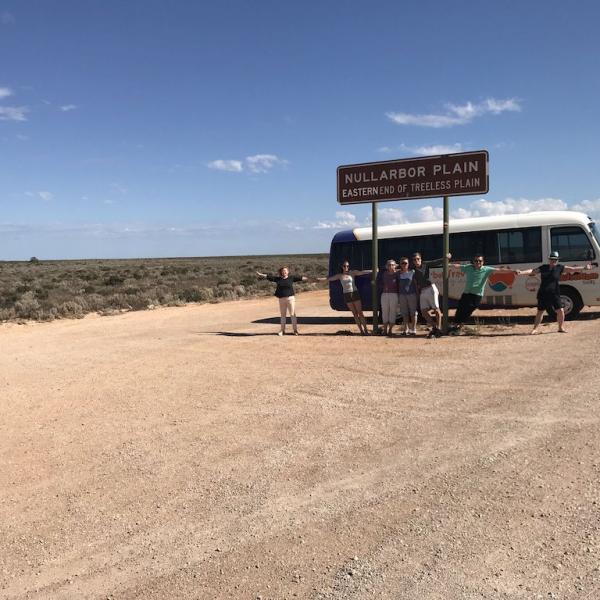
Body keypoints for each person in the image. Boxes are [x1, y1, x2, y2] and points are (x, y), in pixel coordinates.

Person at [516, 251, 593, 334]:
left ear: (557, 260)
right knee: (540, 311)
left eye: (555, 260)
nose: (554, 261)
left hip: (555, 293)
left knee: (560, 311)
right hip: (543, 293)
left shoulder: (560, 268)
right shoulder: (543, 267)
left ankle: (560, 328)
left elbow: (572, 269)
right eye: (552, 259)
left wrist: (584, 267)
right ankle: (534, 329)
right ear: (549, 259)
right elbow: (532, 271)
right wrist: (521, 272)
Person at [448, 255, 515, 334]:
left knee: (470, 309)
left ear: (483, 262)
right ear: (473, 262)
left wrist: (512, 271)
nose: (478, 262)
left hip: (477, 295)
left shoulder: (487, 269)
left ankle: (459, 325)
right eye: (476, 261)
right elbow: (457, 266)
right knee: (461, 309)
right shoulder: (468, 267)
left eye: (480, 261)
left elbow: (500, 270)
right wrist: (447, 264)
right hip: (467, 293)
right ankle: (456, 326)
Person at [322, 261, 372, 335]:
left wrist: (373, 270)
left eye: (348, 266)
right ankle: (361, 331)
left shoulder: (352, 273)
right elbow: (329, 279)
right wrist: (317, 280)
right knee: (355, 314)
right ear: (342, 267)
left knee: (360, 313)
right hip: (347, 295)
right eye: (345, 266)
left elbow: (362, 272)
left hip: (354, 293)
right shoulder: (340, 275)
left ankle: (366, 330)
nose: (346, 268)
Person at [256, 266, 308, 335]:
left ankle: (295, 330)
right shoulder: (278, 279)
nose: (284, 272)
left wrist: (315, 279)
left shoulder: (291, 278)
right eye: (283, 271)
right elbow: (269, 277)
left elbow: (302, 278)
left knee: (292, 314)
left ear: (288, 272)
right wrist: (261, 275)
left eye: (286, 271)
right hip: (281, 299)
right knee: (283, 315)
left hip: (290, 299)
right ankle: (282, 330)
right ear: (281, 272)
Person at [411, 251, 447, 339]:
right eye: (415, 260)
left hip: (431, 288)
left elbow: (436, 262)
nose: (416, 261)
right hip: (422, 291)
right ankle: (435, 328)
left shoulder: (425, 264)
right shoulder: (413, 270)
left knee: (436, 309)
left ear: (421, 259)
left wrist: (446, 258)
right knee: (423, 312)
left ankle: (438, 329)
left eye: (418, 259)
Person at [377, 259, 400, 336]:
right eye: (389, 265)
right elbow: (379, 283)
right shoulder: (384, 274)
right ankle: (385, 330)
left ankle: (390, 330)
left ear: (395, 266)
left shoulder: (398, 274)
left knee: (393, 312)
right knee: (385, 312)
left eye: (392, 265)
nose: (391, 266)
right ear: (387, 266)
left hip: (394, 294)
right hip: (385, 294)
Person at [397, 257, 418, 336]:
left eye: (405, 263)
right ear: (400, 264)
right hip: (402, 295)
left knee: (413, 313)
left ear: (408, 264)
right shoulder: (398, 273)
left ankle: (414, 329)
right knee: (404, 313)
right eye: (402, 263)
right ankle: (406, 329)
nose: (404, 264)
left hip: (412, 295)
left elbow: (415, 284)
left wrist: (417, 294)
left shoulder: (412, 272)